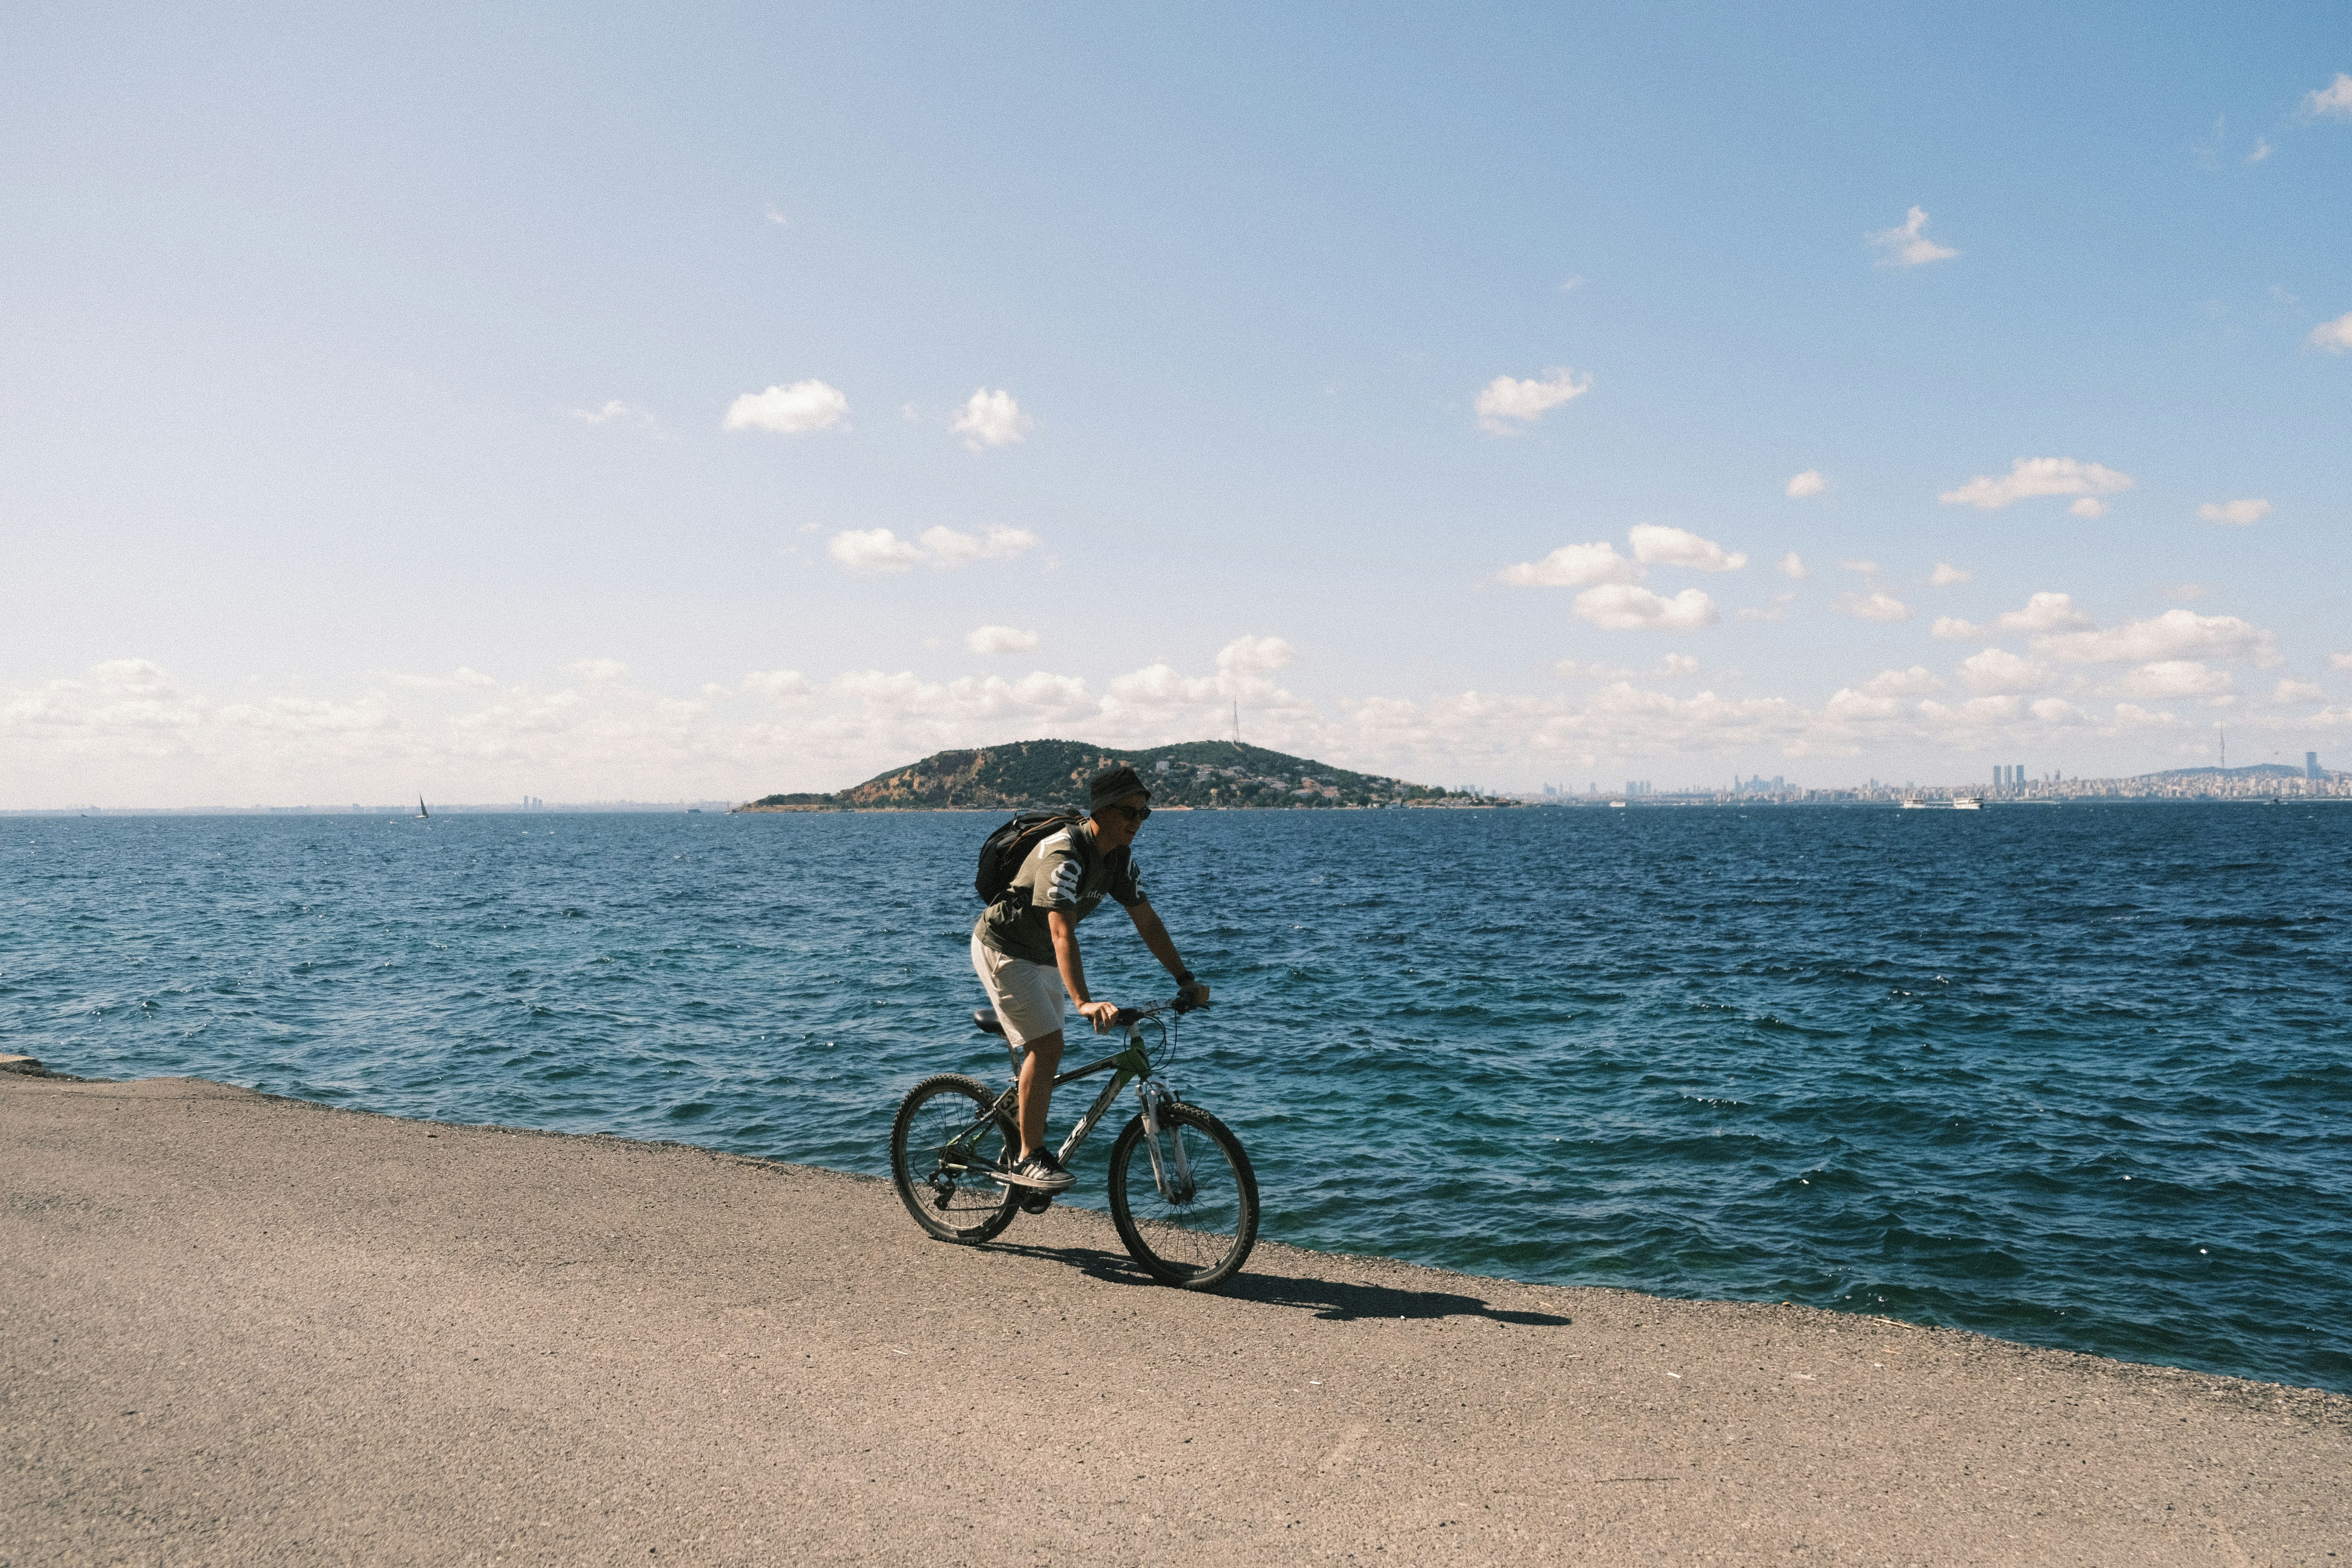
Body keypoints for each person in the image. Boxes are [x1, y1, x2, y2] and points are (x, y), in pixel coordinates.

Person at [970, 764, 1209, 1191]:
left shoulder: (1117, 858)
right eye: (1129, 812)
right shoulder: (1065, 853)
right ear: (1101, 810)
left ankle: (1021, 1130)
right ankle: (1028, 1157)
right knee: (1048, 1044)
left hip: (1041, 954)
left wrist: (1184, 978)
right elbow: (1063, 930)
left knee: (1046, 1048)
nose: (1137, 822)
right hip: (1004, 947)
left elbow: (1148, 921)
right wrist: (1083, 1000)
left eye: (1144, 814)